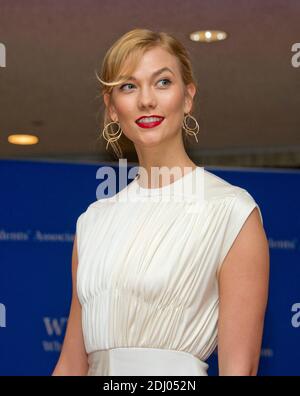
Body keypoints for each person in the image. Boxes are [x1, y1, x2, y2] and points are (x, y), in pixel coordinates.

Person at [52, 28, 269, 376]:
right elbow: (71, 364)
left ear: (187, 98)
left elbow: (239, 369)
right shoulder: (93, 221)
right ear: (112, 108)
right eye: (128, 86)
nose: (146, 100)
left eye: (163, 82)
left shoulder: (231, 211)